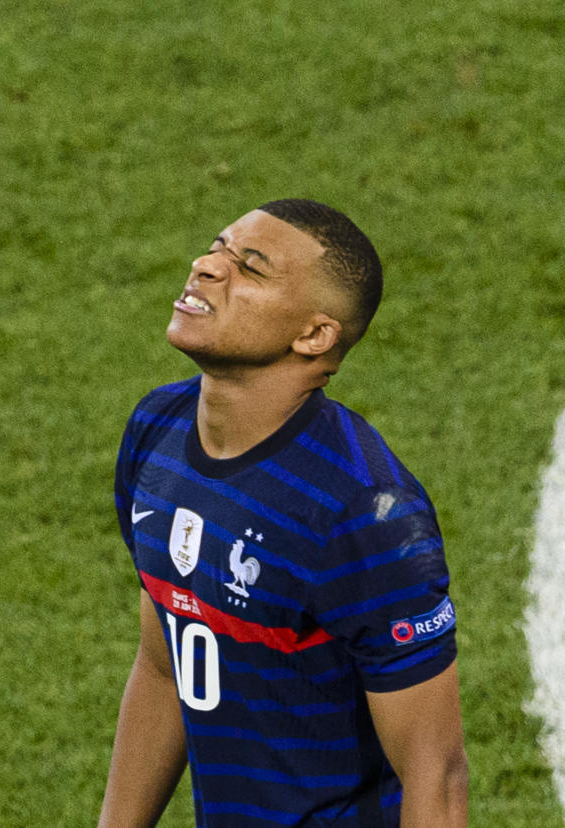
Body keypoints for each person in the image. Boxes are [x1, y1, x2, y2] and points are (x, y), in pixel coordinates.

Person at [99, 199, 467, 827]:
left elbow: (436, 774)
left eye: (251, 267)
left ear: (314, 335)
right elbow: (165, 667)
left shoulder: (363, 513)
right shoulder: (156, 433)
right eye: (217, 246)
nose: (207, 267)